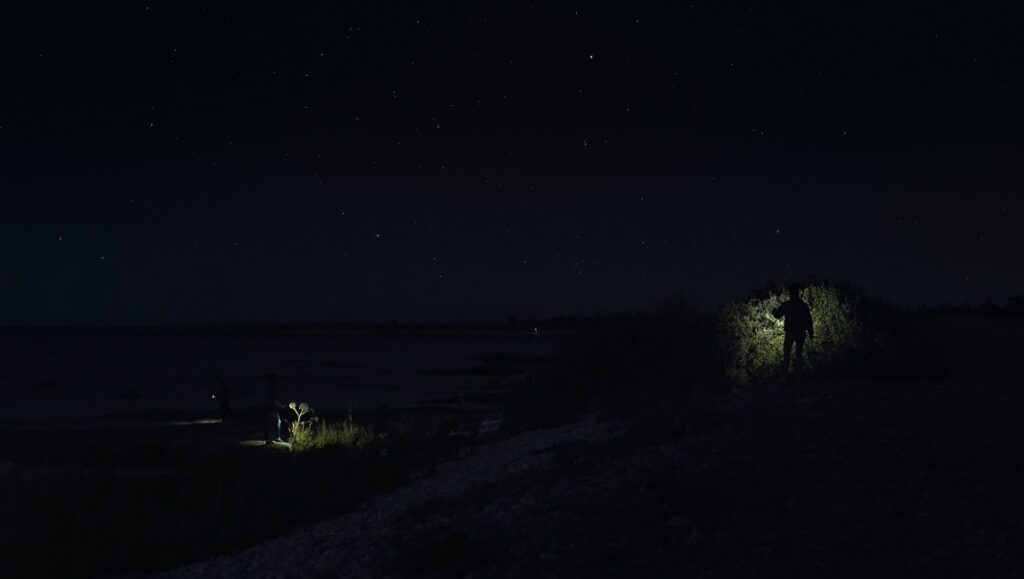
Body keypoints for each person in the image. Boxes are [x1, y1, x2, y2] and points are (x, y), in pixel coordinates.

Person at [772, 284, 814, 379]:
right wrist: (811, 332)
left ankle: (785, 376)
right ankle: (799, 376)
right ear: (798, 293)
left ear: (790, 293)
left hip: (790, 332)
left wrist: (773, 310)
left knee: (786, 354)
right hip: (801, 332)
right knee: (799, 354)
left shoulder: (787, 305)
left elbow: (778, 315)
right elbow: (808, 320)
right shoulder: (803, 305)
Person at [264, 373, 286, 444]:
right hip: (272, 406)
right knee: (276, 421)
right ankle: (274, 438)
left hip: (270, 406)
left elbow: (272, 398)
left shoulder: (269, 387)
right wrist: (281, 405)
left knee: (270, 421)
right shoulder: (273, 387)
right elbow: (274, 399)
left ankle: (270, 438)